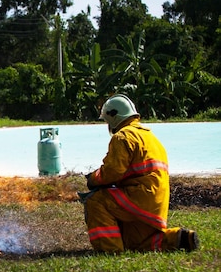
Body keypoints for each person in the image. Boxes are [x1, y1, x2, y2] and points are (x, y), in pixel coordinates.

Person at [80, 94, 199, 253]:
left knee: (96, 201)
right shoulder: (150, 137)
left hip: (139, 196)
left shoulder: (123, 136)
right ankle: (179, 238)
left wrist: (93, 179)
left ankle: (109, 250)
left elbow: (112, 172)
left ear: (114, 116)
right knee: (135, 242)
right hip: (156, 203)